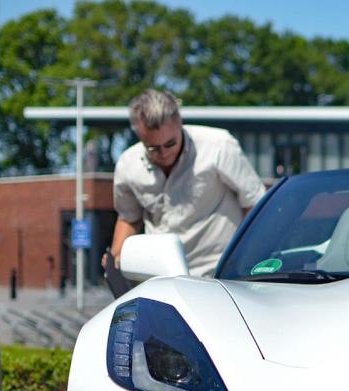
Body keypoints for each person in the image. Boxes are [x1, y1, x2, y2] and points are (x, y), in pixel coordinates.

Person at [109, 89, 265, 277]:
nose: (164, 153)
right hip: (159, 274)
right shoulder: (128, 165)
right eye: (153, 148)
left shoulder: (219, 146)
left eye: (170, 144)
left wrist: (243, 257)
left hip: (220, 272)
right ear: (139, 136)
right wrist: (115, 257)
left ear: (180, 123)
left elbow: (255, 203)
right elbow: (128, 217)